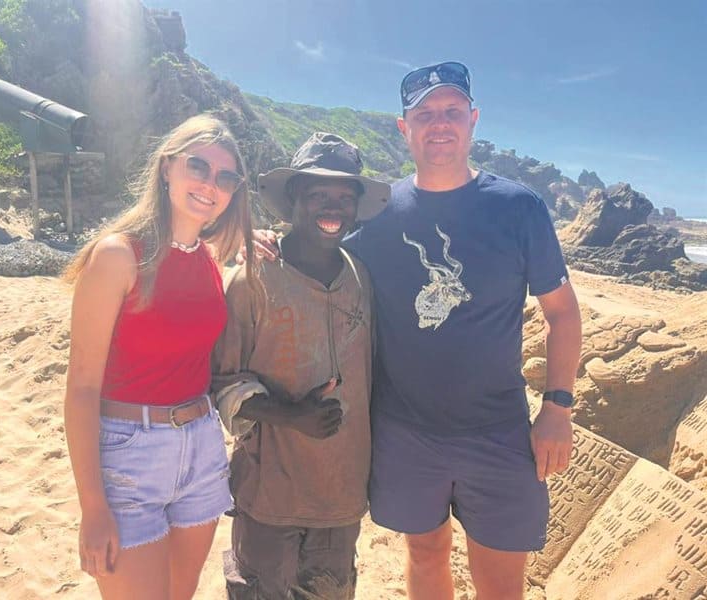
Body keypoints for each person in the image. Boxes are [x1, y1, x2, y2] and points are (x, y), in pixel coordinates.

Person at [249, 62, 581, 599]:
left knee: (500, 577)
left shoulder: (519, 208)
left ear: (473, 120)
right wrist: (264, 237)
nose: (439, 124)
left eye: (452, 112)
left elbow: (563, 313)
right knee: (425, 554)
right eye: (425, 114)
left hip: (498, 431)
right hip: (404, 433)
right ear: (405, 129)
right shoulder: (378, 215)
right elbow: (317, 247)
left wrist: (558, 407)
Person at [63, 114, 255, 600]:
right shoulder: (117, 256)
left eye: (225, 178)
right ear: (167, 167)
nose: (211, 185)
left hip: (202, 449)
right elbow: (82, 387)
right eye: (198, 166)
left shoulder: (211, 260)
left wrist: (268, 244)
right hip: (129, 455)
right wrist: (93, 508)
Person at [212, 132, 389, 599]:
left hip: (342, 493)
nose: (332, 209)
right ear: (293, 200)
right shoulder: (252, 279)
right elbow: (220, 382)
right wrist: (292, 416)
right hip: (270, 492)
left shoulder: (360, 277)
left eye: (344, 197)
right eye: (317, 195)